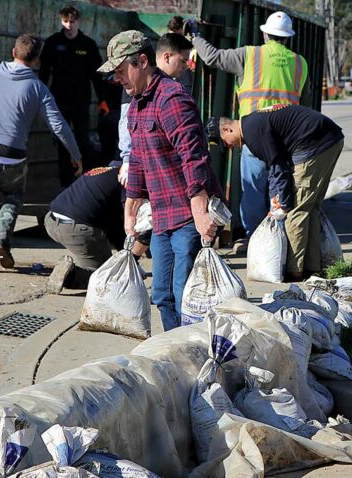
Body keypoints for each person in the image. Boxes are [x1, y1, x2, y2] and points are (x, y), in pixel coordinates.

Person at [98, 30, 223, 331]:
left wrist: (200, 212)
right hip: (161, 215)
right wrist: (130, 209)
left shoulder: (172, 99)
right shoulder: (137, 107)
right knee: (163, 296)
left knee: (184, 295)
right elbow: (138, 160)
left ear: (142, 61)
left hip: (186, 215)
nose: (118, 79)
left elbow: (194, 157)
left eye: (120, 71)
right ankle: (174, 353)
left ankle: (195, 354)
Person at [187, 11, 310, 244]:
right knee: (280, 191)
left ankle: (256, 240)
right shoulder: (299, 64)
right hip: (286, 141)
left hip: (253, 138)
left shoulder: (250, 55)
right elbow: (305, 106)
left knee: (253, 191)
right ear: (288, 37)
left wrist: (194, 36)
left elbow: (212, 57)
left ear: (265, 33)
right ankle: (279, 242)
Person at [0, 34, 81, 273]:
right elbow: (58, 124)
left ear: (13, 51)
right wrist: (75, 154)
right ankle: (2, 240)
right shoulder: (37, 87)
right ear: (37, 60)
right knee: (12, 198)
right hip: (13, 154)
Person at [210, 104, 343, 282]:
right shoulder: (252, 124)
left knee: (296, 213)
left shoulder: (253, 134)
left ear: (227, 128)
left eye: (224, 141)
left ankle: (294, 272)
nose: (228, 146)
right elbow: (276, 165)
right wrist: (277, 198)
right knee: (309, 209)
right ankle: (312, 268)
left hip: (315, 145)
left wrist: (284, 202)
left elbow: (280, 167)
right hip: (329, 140)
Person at [45, 161, 150, 294]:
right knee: (109, 277)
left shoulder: (111, 170)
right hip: (76, 230)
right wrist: (129, 264)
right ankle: (70, 277)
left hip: (51, 221)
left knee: (110, 263)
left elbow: (113, 224)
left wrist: (129, 260)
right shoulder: (129, 181)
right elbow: (122, 226)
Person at [39, 4, 107, 186]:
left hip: (81, 101)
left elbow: (96, 76)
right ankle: (65, 181)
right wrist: (38, 98)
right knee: (62, 140)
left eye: (72, 21)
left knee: (82, 139)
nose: (69, 25)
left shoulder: (88, 45)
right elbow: (44, 73)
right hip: (58, 100)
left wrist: (103, 100)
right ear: (61, 21)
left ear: (79, 21)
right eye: (65, 21)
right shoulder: (53, 43)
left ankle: (82, 178)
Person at [116, 33, 195, 186]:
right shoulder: (136, 84)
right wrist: (127, 161)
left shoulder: (170, 90)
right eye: (183, 61)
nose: (186, 67)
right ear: (167, 57)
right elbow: (127, 124)